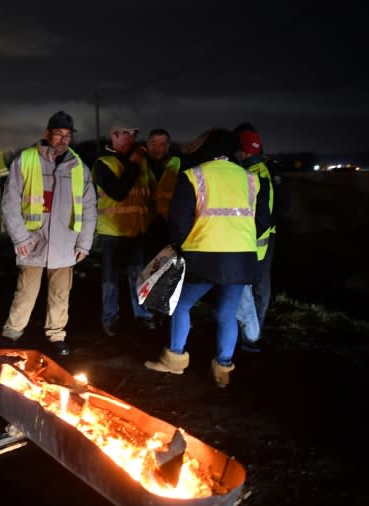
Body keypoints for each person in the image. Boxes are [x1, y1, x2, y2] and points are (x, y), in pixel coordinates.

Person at [143, 129, 271, 388]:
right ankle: (223, 369)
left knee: (182, 305)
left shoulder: (193, 176)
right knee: (227, 312)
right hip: (242, 258)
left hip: (203, 257)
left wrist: (184, 246)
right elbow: (263, 220)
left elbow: (178, 222)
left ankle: (174, 360)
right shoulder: (251, 179)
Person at [0, 111, 97, 357]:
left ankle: (56, 336)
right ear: (47, 134)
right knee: (25, 292)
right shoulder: (27, 159)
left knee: (60, 294)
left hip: (66, 243)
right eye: (58, 134)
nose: (63, 140)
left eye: (67, 136)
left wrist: (84, 244)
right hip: (33, 241)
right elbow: (9, 202)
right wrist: (19, 237)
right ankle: (12, 334)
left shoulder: (79, 167)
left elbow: (89, 208)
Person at [92, 122, 156, 336]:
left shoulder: (142, 162)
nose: (132, 137)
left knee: (139, 278)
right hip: (112, 233)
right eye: (127, 133)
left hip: (137, 231)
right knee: (110, 281)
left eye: (135, 133)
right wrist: (135, 163)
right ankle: (110, 319)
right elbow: (118, 193)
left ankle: (143, 315)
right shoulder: (103, 164)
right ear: (114, 136)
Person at [233, 124, 290, 352]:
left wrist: (259, 229)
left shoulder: (256, 173)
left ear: (244, 151)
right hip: (261, 238)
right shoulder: (264, 168)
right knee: (256, 289)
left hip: (254, 240)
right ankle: (249, 336)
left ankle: (249, 336)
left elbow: (278, 207)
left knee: (249, 289)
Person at [141, 129, 182, 260]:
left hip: (170, 227)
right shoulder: (140, 164)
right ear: (147, 145)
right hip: (146, 228)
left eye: (162, 144)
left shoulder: (179, 164)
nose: (157, 148)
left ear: (168, 146)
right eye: (153, 144)